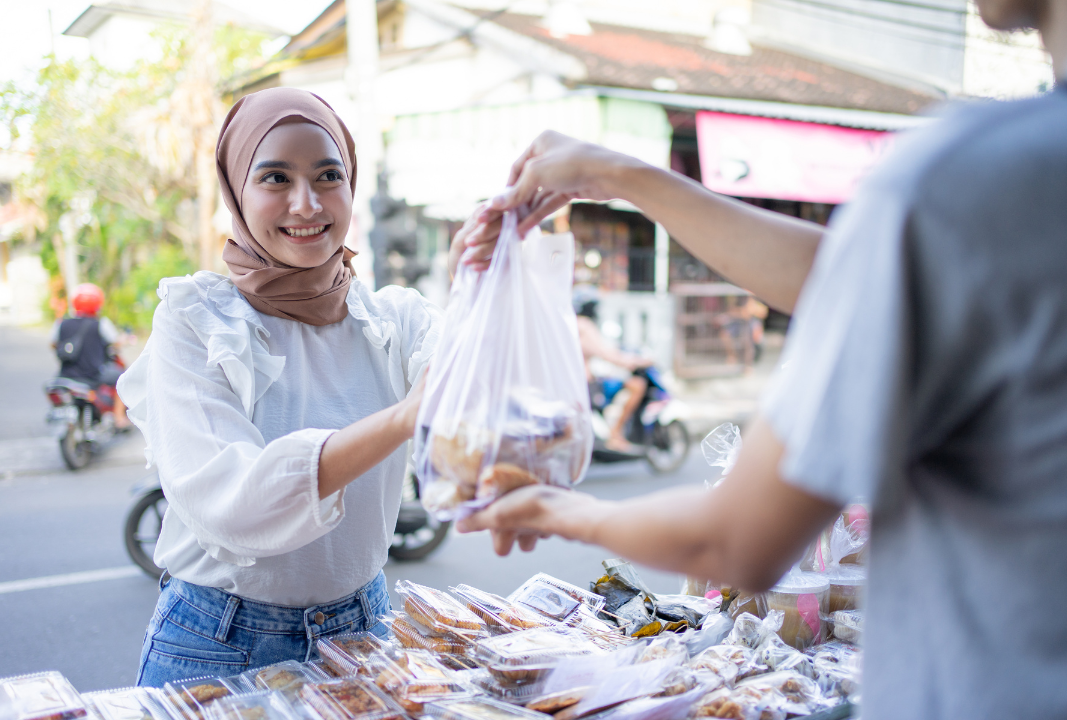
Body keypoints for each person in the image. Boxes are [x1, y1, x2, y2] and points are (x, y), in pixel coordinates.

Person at [456, 0, 1067, 715]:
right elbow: (852, 277)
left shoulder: (971, 175)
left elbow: (739, 542)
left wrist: (558, 509)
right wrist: (623, 174)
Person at [118, 88, 496, 686]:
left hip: (365, 630)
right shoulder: (197, 320)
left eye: (328, 175)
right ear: (236, 192)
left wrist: (476, 280)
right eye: (274, 177)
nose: (306, 203)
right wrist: (406, 418)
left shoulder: (392, 319)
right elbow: (234, 503)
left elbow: (471, 393)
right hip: (220, 645)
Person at [571, 285, 652, 451]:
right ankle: (616, 434)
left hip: (577, 383)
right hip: (587, 386)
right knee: (637, 385)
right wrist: (634, 361)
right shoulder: (584, 325)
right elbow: (606, 354)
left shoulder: (570, 324)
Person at [51, 282, 130, 429]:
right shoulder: (100, 324)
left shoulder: (61, 323)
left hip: (66, 375)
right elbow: (115, 343)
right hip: (93, 374)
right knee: (122, 378)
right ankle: (119, 417)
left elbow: (54, 344)